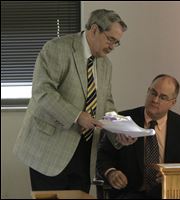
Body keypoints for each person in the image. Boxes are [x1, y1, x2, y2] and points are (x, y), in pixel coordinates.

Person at [13, 9, 132, 193]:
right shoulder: (57, 48)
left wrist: (119, 132)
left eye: (117, 43)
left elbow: (106, 104)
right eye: (110, 39)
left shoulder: (105, 64)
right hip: (49, 149)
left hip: (84, 153)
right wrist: (76, 116)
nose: (112, 47)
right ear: (94, 29)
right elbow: (42, 92)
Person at [97, 74, 180, 199]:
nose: (155, 100)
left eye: (163, 97)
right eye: (153, 93)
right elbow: (103, 155)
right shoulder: (122, 120)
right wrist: (111, 172)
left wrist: (173, 176)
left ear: (172, 103)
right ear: (147, 91)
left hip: (170, 191)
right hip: (131, 191)